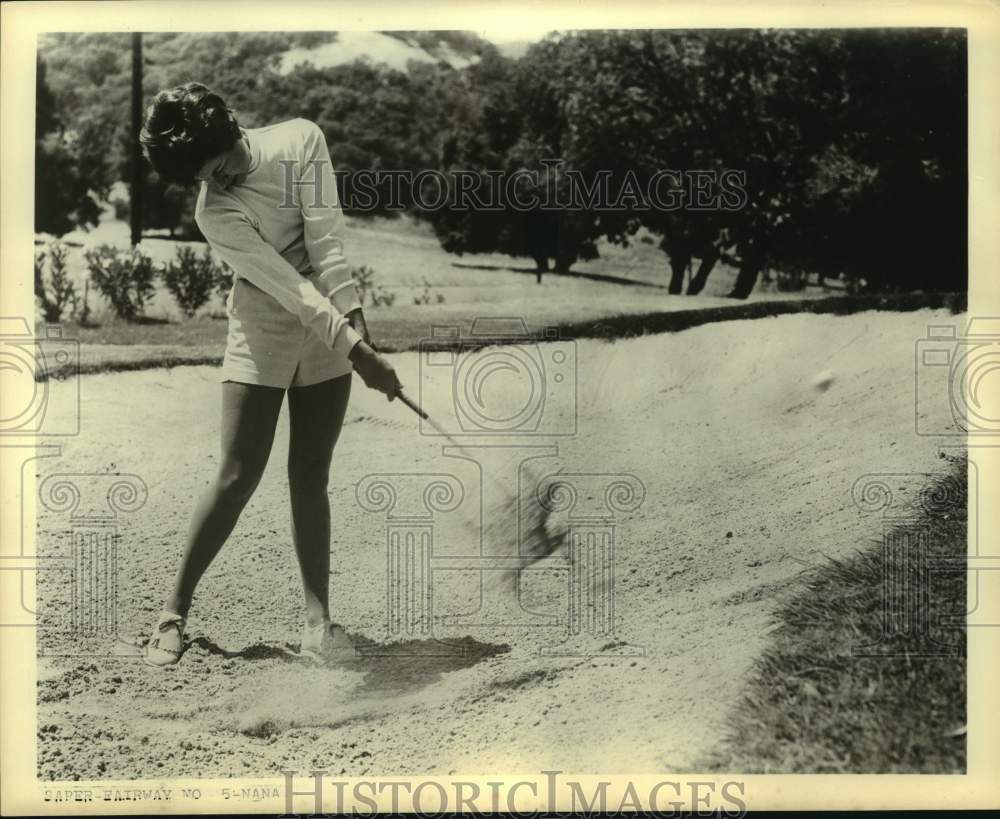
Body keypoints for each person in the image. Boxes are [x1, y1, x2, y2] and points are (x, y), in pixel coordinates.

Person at [138, 82, 401, 666]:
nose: (217, 183)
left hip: (329, 321)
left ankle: (318, 622)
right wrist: (357, 351)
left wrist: (356, 332)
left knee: (311, 473)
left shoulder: (301, 139)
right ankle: (172, 612)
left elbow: (326, 245)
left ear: (229, 129)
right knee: (237, 475)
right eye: (203, 178)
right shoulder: (214, 209)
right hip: (263, 324)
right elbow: (289, 286)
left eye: (218, 168)